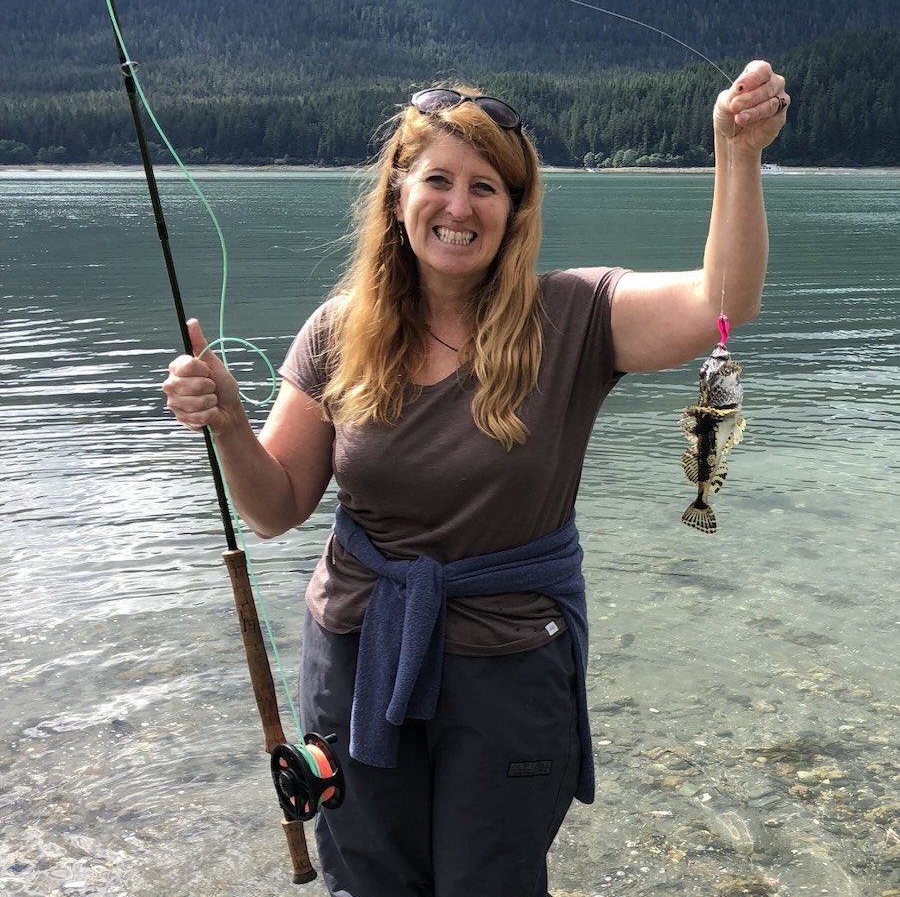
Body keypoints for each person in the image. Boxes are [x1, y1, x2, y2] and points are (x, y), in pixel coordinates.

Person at [163, 61, 789, 897]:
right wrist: (231, 425)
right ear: (398, 194)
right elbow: (275, 508)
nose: (459, 208)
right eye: (439, 181)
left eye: (485, 187)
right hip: (358, 651)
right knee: (368, 882)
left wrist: (737, 154)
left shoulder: (574, 316)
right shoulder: (336, 332)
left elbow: (724, 300)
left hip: (511, 664)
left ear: (515, 210)